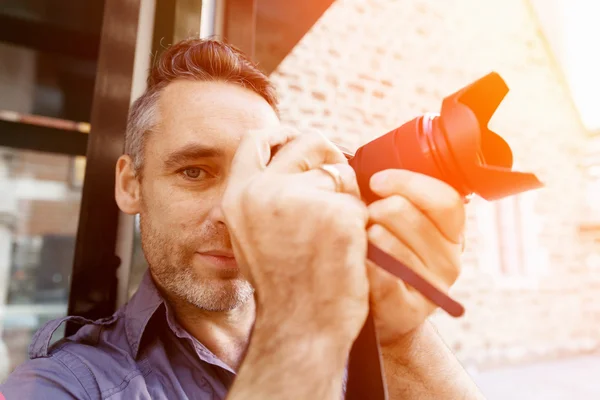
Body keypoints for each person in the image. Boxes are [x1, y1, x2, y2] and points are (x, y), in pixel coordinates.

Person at [0, 38, 485, 399]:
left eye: (259, 174)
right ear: (131, 184)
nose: (236, 210)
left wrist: (398, 334)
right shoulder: (64, 385)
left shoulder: (346, 331)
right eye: (195, 171)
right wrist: (303, 323)